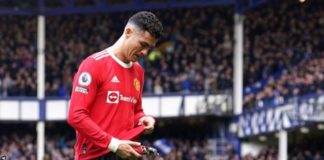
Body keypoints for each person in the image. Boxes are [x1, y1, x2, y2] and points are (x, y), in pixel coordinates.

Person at [67, 11, 164, 160]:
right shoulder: (94, 64)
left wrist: (142, 118)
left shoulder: (138, 71)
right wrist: (114, 144)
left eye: (149, 48)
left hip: (125, 153)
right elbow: (76, 116)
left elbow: (135, 110)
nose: (145, 52)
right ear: (128, 32)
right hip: (95, 155)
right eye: (143, 44)